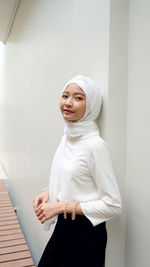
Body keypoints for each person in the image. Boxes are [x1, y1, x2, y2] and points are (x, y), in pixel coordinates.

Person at [33, 75, 122, 267]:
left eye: (79, 98)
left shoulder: (95, 146)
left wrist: (61, 206)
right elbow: (74, 177)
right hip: (64, 228)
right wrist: (48, 191)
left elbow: (114, 205)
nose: (68, 103)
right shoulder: (68, 136)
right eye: (65, 96)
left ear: (92, 105)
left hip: (86, 235)